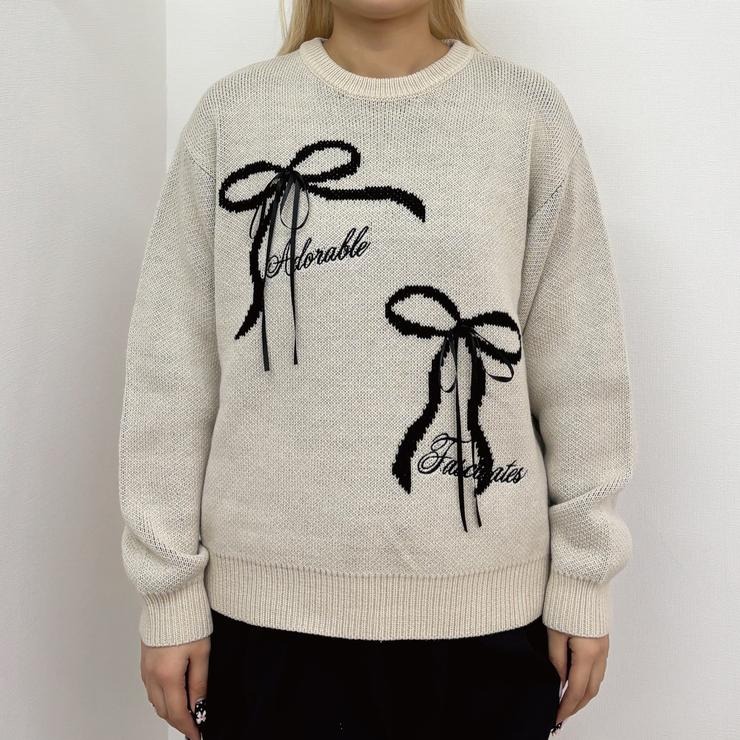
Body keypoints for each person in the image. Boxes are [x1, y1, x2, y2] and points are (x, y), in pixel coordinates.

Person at [118, 1, 637, 737]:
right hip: (267, 622)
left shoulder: (525, 114)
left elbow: (580, 365)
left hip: (486, 623)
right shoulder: (232, 116)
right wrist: (169, 593)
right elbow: (171, 373)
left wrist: (583, 577)